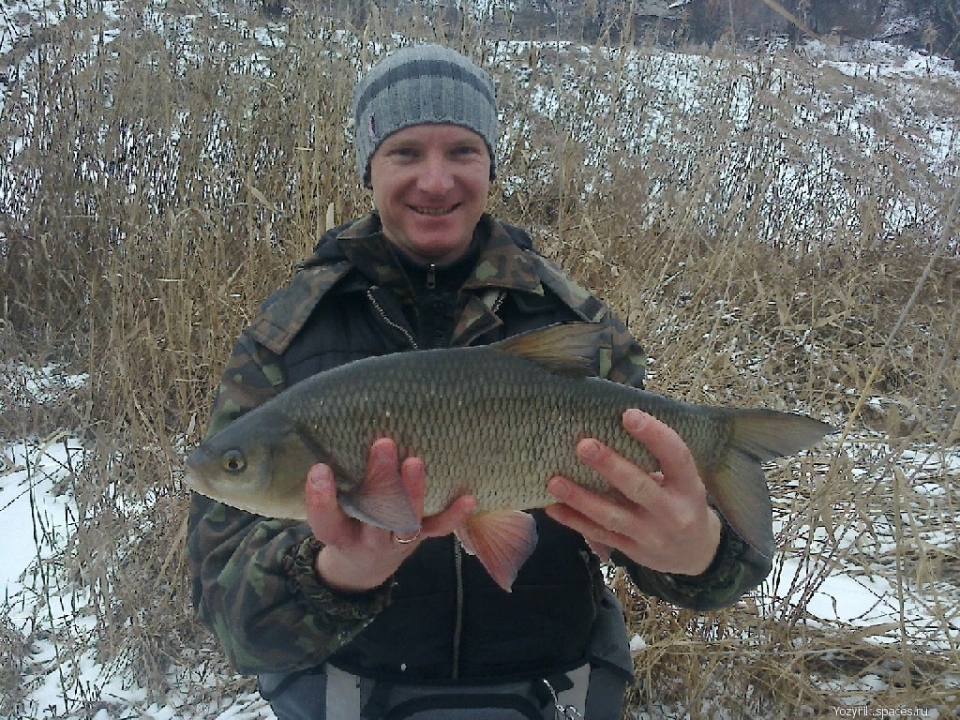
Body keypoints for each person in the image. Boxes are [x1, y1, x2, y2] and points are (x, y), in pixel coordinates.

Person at [188, 44, 771, 720]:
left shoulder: (573, 322)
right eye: (406, 153)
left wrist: (696, 552)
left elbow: (723, 569)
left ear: (489, 164)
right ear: (368, 167)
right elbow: (225, 614)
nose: (436, 182)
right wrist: (335, 575)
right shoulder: (286, 337)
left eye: (462, 151)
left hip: (554, 687)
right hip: (358, 694)